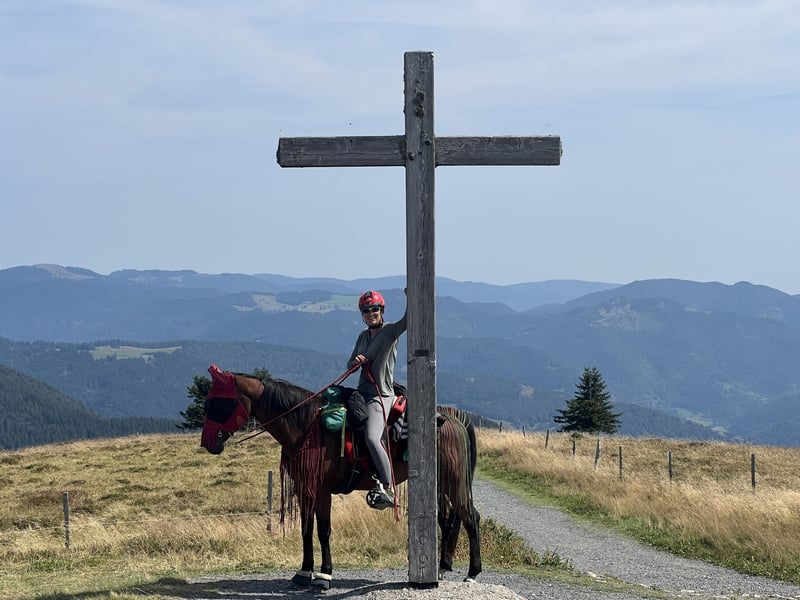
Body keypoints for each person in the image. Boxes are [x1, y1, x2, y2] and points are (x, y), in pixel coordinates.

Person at [347, 289, 407, 510]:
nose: (371, 313)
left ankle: (388, 487)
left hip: (381, 395)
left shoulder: (390, 331)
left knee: (373, 438)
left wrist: (411, 297)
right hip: (362, 393)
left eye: (374, 309)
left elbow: (408, 321)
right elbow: (349, 366)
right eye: (366, 310)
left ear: (381, 310)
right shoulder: (362, 337)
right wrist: (355, 362)